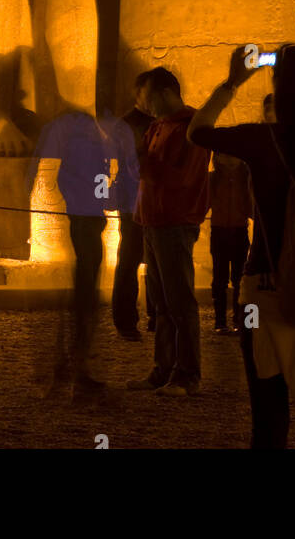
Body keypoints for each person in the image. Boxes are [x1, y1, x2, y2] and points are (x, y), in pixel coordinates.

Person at [189, 44, 295, 450]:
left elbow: (197, 132)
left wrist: (232, 82)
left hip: (264, 287)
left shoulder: (259, 139)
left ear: (278, 90)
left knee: (269, 418)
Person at [32, 108, 138, 398]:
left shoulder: (86, 149)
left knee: (84, 296)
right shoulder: (88, 150)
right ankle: (75, 373)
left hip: (87, 222)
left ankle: (70, 371)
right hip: (86, 223)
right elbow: (87, 186)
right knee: (84, 299)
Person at [127, 68, 210, 397]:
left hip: (175, 221)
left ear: (163, 92)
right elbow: (146, 171)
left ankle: (187, 374)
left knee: (179, 301)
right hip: (152, 221)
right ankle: (163, 370)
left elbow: (182, 179)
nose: (141, 104)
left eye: (143, 95)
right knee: (161, 303)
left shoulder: (192, 129)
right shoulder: (157, 127)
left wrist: (142, 162)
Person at [112, 72, 156, 340]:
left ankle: (154, 316)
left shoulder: (155, 121)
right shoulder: (126, 125)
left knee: (154, 260)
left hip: (151, 198)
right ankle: (126, 321)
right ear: (138, 93)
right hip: (132, 200)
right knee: (129, 260)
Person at [209, 153, 252, 334]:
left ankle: (237, 321)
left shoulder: (244, 178)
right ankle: (234, 322)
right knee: (225, 279)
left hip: (229, 229)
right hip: (227, 230)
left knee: (235, 279)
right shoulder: (243, 178)